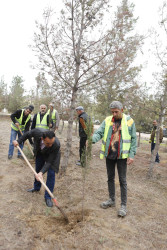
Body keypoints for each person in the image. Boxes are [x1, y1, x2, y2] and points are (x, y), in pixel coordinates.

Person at [92, 101, 137, 217]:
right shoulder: (107, 120)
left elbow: (133, 139)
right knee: (110, 178)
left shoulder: (129, 121)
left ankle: (123, 206)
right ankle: (111, 200)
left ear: (122, 110)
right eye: (112, 112)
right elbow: (99, 132)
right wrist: (91, 139)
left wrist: (131, 155)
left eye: (116, 111)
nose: (114, 114)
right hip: (110, 154)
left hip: (122, 156)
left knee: (122, 180)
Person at [13, 128, 61, 207]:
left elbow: (49, 162)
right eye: (48, 143)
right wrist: (18, 141)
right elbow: (27, 134)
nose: (50, 145)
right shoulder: (37, 132)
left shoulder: (56, 145)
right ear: (42, 139)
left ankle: (48, 197)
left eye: (51, 143)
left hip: (52, 156)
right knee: (38, 169)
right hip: (40, 151)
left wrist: (42, 173)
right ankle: (36, 187)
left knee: (51, 174)